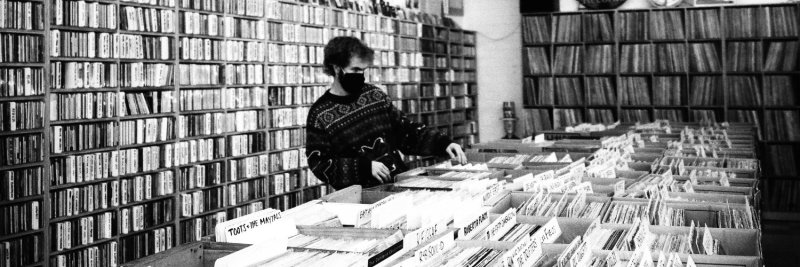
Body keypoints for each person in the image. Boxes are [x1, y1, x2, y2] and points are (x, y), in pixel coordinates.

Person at [305, 36, 467, 190]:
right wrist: (363, 167)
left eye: (363, 70)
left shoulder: (375, 95)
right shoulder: (320, 114)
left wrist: (442, 143)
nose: (360, 75)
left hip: (399, 186)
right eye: (355, 69)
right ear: (335, 68)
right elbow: (319, 164)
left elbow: (405, 132)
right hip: (361, 200)